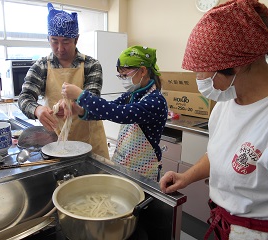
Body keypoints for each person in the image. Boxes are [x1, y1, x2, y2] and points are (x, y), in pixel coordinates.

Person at [159, 0, 268, 239]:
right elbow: (219, 154)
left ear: (234, 66)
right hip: (223, 224)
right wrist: (185, 177)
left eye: (202, 70)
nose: (199, 79)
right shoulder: (225, 106)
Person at [61, 46, 168, 181]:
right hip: (124, 165)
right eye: (121, 76)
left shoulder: (156, 101)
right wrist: (81, 110)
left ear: (142, 71)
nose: (123, 79)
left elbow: (120, 113)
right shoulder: (131, 95)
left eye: (126, 75)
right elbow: (109, 109)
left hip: (144, 171)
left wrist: (82, 95)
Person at [18, 3, 109, 159]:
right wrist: (37, 110)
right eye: (54, 41)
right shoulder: (41, 67)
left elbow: (93, 103)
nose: (60, 48)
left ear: (76, 39)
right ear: (48, 39)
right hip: (57, 143)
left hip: (90, 143)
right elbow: (24, 97)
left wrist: (73, 106)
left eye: (66, 42)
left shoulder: (91, 65)